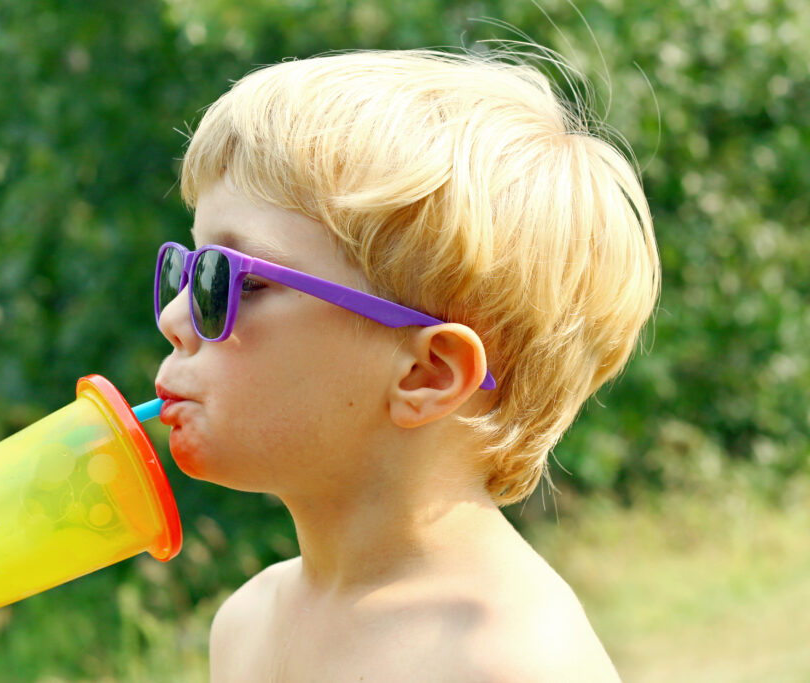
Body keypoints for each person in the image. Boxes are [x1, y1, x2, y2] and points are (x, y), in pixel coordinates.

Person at [154, 48, 659, 681]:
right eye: (187, 269)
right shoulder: (249, 620)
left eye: (232, 281)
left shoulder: (509, 662)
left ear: (427, 374)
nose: (175, 317)